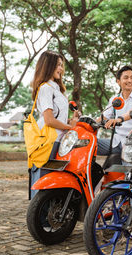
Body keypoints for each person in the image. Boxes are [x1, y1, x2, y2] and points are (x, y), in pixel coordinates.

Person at [29, 50, 80, 198]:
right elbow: (49, 120)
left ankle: (48, 219)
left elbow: (59, 119)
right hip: (48, 143)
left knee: (53, 185)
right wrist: (71, 127)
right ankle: (40, 221)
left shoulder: (57, 89)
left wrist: (72, 120)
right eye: (58, 65)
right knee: (43, 185)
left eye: (62, 65)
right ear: (48, 66)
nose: (61, 69)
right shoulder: (45, 88)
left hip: (58, 141)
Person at [97, 66, 132, 156]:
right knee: (88, 143)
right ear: (118, 81)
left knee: (126, 169)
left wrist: (118, 119)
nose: (130, 81)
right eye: (126, 78)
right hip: (116, 141)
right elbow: (104, 117)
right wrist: (85, 123)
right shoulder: (115, 99)